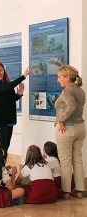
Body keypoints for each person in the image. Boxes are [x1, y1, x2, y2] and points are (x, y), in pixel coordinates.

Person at [0, 61, 30, 158]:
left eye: (1, 70)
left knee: (6, 146)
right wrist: (23, 76)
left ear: (4, 71)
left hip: (8, 119)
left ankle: (2, 168)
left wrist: (19, 94)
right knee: (1, 147)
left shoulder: (6, 83)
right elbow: (5, 88)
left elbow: (11, 99)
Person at [55, 65, 85, 199]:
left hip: (67, 128)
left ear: (67, 78)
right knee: (77, 159)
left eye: (60, 77)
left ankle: (66, 191)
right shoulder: (80, 90)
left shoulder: (67, 91)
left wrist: (61, 119)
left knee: (65, 160)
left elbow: (71, 106)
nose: (58, 80)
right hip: (80, 127)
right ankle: (79, 190)